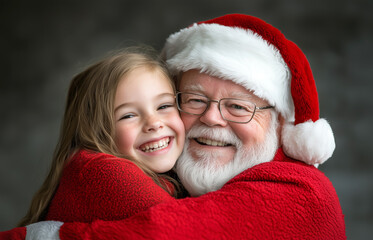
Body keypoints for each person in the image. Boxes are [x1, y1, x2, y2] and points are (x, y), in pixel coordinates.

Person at [0, 14, 346, 240]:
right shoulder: (150, 177)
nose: (211, 118)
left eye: (238, 107)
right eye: (194, 100)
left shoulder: (302, 192)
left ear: (281, 124)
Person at [16, 46, 186, 226]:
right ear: (96, 131)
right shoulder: (101, 170)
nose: (153, 123)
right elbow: (183, 228)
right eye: (128, 116)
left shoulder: (176, 173)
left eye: (164, 106)